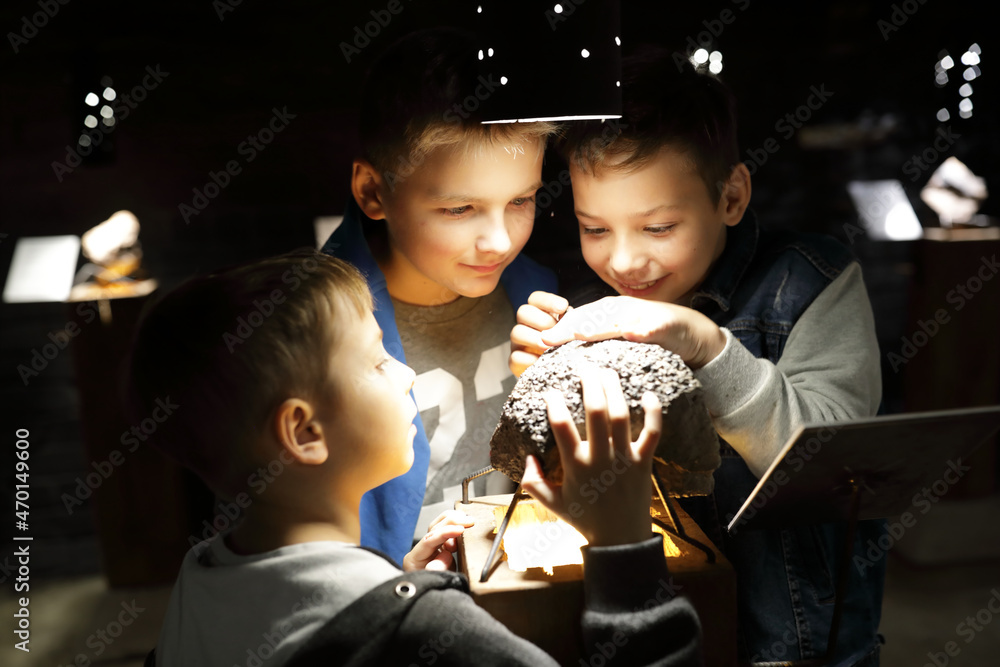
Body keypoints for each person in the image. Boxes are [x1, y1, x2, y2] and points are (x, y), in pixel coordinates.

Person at [125, 250, 701, 667]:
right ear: (303, 432)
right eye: (378, 362)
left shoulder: (200, 581)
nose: (404, 375)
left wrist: (395, 585)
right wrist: (624, 551)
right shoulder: (423, 629)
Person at [510, 48, 885, 666]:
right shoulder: (593, 309)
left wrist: (706, 347)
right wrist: (546, 394)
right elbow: (578, 496)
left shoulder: (810, 282)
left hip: (797, 646)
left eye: (658, 228)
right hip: (656, 640)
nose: (624, 263)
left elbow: (836, 470)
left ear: (732, 196)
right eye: (595, 229)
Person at [320, 28, 558, 563]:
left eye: (521, 200)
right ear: (372, 192)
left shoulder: (543, 298)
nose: (499, 241)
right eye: (458, 209)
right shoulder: (306, 342)